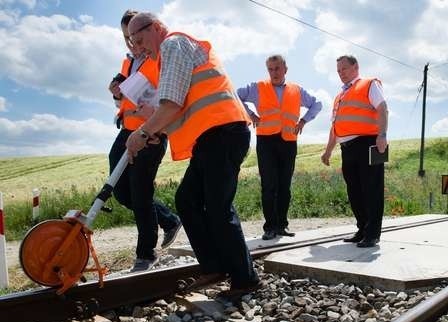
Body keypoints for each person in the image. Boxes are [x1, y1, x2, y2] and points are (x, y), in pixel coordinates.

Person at [125, 12, 260, 298]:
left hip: (224, 133)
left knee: (217, 206)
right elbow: (177, 106)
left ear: (157, 28)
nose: (139, 48)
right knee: (187, 199)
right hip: (211, 137)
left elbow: (171, 104)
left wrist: (142, 133)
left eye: (140, 40)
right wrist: (152, 131)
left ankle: (245, 279)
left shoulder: (173, 45)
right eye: (133, 43)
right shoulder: (166, 57)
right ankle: (214, 267)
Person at [108, 10, 181, 273]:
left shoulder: (161, 58)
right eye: (128, 39)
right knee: (120, 191)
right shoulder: (127, 64)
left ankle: (146, 254)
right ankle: (169, 219)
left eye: (137, 38)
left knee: (140, 193)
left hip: (151, 132)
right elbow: (124, 101)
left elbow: (167, 99)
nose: (133, 44)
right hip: (126, 131)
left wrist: (151, 125)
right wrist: (117, 94)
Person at [237, 55, 322, 240]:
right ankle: (270, 227)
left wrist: (304, 120)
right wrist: (251, 114)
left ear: (285, 69)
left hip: (289, 141)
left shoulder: (297, 90)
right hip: (266, 141)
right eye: (270, 69)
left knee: (285, 186)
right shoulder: (257, 87)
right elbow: (236, 95)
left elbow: (317, 104)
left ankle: (282, 225)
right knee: (269, 185)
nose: (274, 72)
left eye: (277, 68)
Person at [320, 55, 388, 248]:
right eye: (338, 71)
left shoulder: (369, 84)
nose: (341, 73)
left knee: (371, 189)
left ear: (355, 67)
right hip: (347, 148)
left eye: (344, 69)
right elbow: (335, 126)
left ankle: (373, 234)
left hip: (368, 143)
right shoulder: (340, 96)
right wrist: (328, 152)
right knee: (355, 191)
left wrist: (382, 135)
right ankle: (362, 229)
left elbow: (383, 108)